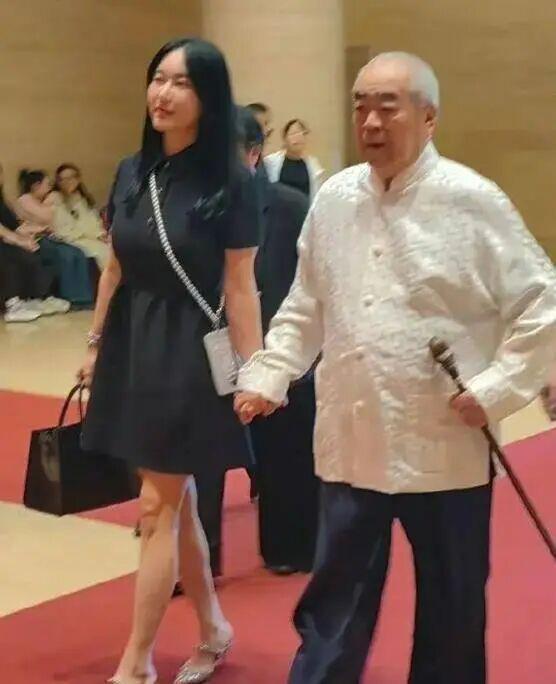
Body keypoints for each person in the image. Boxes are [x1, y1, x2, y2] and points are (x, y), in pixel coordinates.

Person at [235, 52, 556, 684]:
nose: (371, 121)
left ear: (429, 118)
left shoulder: (472, 200)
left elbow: (542, 305)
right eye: (361, 106)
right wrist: (271, 373)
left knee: (452, 607)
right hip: (353, 441)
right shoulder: (334, 198)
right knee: (333, 606)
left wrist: (496, 389)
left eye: (389, 106)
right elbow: (306, 303)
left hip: (445, 442)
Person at [79, 37, 262, 684]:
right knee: (174, 502)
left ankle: (135, 665)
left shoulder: (232, 184)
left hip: (187, 351)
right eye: (158, 78)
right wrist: (94, 345)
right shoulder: (131, 170)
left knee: (156, 507)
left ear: (208, 97)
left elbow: (241, 285)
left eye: (181, 83)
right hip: (132, 344)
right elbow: (116, 266)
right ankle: (213, 628)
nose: (163, 93)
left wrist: (257, 369)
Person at [0, 163, 67, 321]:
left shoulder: (2, 201)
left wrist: (31, 235)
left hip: (6, 239)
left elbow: (15, 227)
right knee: (12, 257)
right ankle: (12, 305)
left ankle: (36, 298)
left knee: (34, 252)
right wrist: (18, 241)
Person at [16, 169, 93, 306]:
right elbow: (46, 217)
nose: (49, 188)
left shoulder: (41, 200)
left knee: (78, 253)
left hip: (49, 238)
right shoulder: (25, 199)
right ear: (36, 186)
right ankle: (71, 297)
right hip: (35, 240)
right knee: (66, 255)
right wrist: (51, 202)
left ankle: (84, 297)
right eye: (47, 184)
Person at [50, 163, 109, 269]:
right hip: (71, 238)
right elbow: (62, 227)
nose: (67, 182)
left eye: (71, 178)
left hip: (88, 235)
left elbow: (91, 219)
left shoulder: (80, 197)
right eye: (63, 179)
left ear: (77, 179)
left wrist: (99, 234)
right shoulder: (55, 198)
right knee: (103, 252)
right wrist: (91, 234)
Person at [264, 118, 324, 200]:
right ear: (285, 138)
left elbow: (316, 196)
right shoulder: (270, 162)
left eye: (301, 134)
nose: (297, 138)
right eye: (293, 134)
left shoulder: (314, 166)